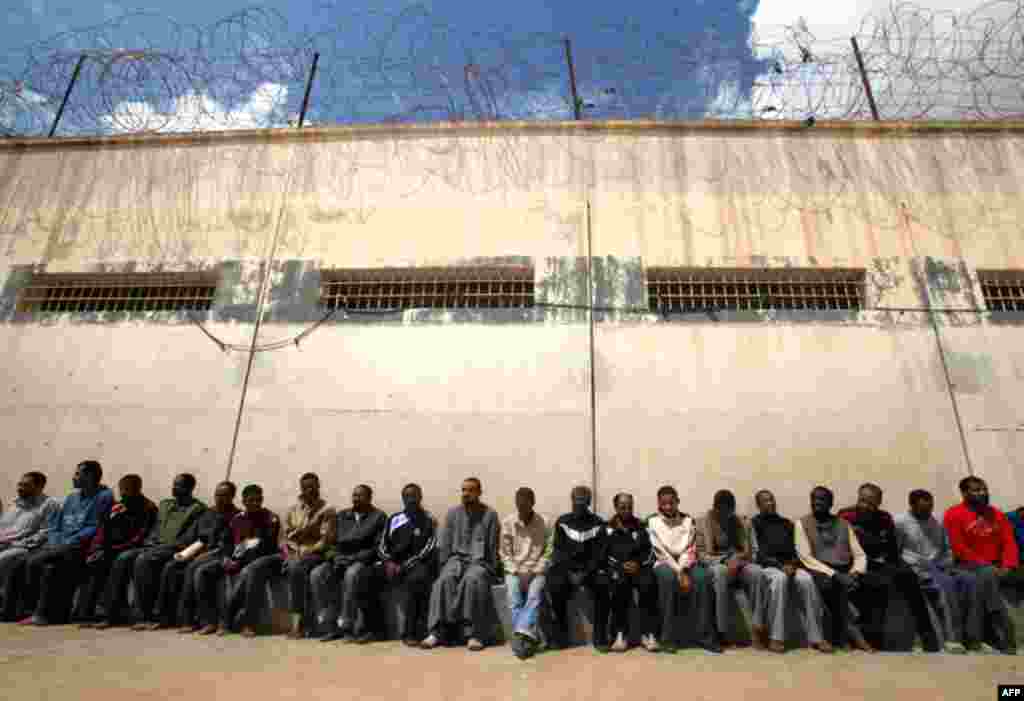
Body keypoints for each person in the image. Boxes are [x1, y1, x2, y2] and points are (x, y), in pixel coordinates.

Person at [93, 473, 206, 630]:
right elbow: (155, 528)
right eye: (174, 484)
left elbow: (189, 537)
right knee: (123, 558)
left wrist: (166, 546)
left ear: (190, 488)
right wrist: (150, 541)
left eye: (179, 485)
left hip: (173, 548)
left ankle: (143, 615)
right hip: (153, 545)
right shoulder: (166, 505)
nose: (174, 488)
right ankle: (111, 613)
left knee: (143, 561)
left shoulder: (197, 509)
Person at [838, 483, 940, 652]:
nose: (866, 506)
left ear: (878, 503)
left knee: (909, 577)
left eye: (871, 503)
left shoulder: (884, 518)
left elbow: (891, 548)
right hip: (855, 564)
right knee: (877, 584)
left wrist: (896, 565)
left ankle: (928, 637)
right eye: (863, 501)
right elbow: (842, 547)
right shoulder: (845, 515)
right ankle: (873, 640)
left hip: (881, 561)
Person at [18, 460, 114, 625]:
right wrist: (56, 540)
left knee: (35, 561)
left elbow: (95, 527)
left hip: (81, 547)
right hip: (62, 545)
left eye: (78, 473)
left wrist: (68, 542)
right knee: (25, 562)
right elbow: (57, 525)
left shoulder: (104, 496)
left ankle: (40, 613)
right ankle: (30, 611)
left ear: (90, 476)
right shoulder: (71, 497)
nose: (73, 477)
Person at [146, 481, 239, 630]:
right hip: (196, 551)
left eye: (224, 495)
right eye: (217, 495)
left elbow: (228, 545)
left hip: (218, 554)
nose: (219, 498)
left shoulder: (235, 516)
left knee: (193, 568)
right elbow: (192, 537)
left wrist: (203, 554)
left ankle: (188, 620)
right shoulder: (208, 513)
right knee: (170, 567)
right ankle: (164, 616)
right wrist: (183, 552)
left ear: (232, 496)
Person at [190, 484, 281, 637]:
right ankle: (209, 621)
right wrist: (226, 557)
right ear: (243, 501)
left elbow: (266, 546)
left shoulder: (270, 519)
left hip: (265, 560)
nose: (254, 503)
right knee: (202, 572)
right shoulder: (237, 519)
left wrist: (238, 560)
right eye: (250, 500)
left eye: (258, 500)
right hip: (236, 559)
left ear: (262, 500)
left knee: (249, 572)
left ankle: (246, 623)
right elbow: (227, 542)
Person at [422, 477, 500, 651]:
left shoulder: (490, 515)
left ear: (479, 492)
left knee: (473, 580)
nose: (466, 494)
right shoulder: (452, 514)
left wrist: (491, 569)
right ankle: (437, 632)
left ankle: (474, 634)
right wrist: (444, 567)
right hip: (456, 559)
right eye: (463, 490)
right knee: (443, 581)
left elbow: (493, 547)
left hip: (480, 562)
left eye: (470, 490)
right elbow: (446, 545)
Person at [943, 476, 1019, 654]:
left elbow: (1009, 542)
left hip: (996, 565)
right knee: (985, 576)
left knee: (988, 576)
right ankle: (1002, 632)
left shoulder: (996, 514)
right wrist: (986, 565)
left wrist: (1008, 565)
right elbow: (958, 547)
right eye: (976, 490)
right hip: (965, 564)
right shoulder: (953, 514)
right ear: (964, 493)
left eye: (984, 489)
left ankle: (983, 636)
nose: (982, 493)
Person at [749, 489, 830, 654]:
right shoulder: (754, 523)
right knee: (780, 580)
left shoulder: (786, 523)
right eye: (765, 501)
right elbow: (758, 553)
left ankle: (817, 637)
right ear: (758, 505)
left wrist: (792, 564)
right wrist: (780, 566)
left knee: (807, 580)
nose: (770, 503)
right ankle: (776, 637)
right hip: (769, 567)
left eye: (771, 499)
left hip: (790, 565)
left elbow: (797, 550)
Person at [794, 486, 873, 652]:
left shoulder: (844, 524)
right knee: (830, 585)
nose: (817, 502)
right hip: (818, 569)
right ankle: (851, 635)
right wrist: (836, 575)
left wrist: (855, 572)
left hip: (844, 569)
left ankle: (857, 636)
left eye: (822, 499)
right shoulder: (802, 524)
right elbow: (806, 557)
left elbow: (859, 554)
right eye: (814, 499)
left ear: (831, 503)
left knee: (869, 583)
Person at [894, 489, 974, 654]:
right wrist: (916, 567)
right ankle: (952, 639)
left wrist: (946, 564)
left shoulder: (937, 521)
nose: (927, 513)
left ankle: (973, 637)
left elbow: (946, 550)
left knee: (968, 580)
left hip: (939, 566)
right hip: (915, 568)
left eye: (929, 508)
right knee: (945, 586)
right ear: (912, 506)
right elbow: (896, 552)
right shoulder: (900, 522)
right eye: (922, 509)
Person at [75, 475, 158, 626]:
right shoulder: (117, 507)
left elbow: (140, 537)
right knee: (93, 562)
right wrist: (96, 548)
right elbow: (102, 529)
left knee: (119, 562)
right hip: (109, 548)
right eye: (122, 490)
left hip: (131, 548)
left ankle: (111, 614)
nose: (124, 493)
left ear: (138, 489)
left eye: (128, 490)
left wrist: (112, 550)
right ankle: (86, 614)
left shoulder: (148, 507)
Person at [647, 485, 720, 653]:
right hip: (664, 563)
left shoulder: (687, 520)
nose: (668, 507)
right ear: (658, 503)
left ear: (677, 502)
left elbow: (690, 548)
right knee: (667, 577)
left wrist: (684, 570)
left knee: (702, 577)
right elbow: (660, 551)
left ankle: (705, 637)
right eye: (663, 503)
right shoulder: (652, 521)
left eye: (671, 503)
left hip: (686, 562)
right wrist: (679, 572)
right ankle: (667, 638)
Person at [314, 484, 387, 643]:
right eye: (354, 495)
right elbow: (330, 542)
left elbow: (378, 547)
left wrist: (354, 558)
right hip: (340, 559)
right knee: (317, 574)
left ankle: (347, 626)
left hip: (363, 561)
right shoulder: (342, 516)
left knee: (352, 574)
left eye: (360, 496)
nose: (355, 498)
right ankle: (330, 626)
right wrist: (334, 557)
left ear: (369, 498)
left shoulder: (378, 517)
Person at [545, 485, 608, 651]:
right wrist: (570, 572)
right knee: (555, 583)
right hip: (567, 569)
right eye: (576, 501)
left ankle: (600, 636)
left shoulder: (598, 523)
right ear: (571, 501)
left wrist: (586, 573)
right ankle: (560, 636)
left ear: (589, 502)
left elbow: (600, 554)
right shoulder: (563, 522)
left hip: (590, 570)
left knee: (603, 584)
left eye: (583, 501)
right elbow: (558, 551)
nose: (579, 504)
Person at [696, 489, 761, 647]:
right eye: (722, 512)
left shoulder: (741, 522)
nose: (726, 515)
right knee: (721, 572)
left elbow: (750, 551)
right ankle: (721, 631)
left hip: (740, 562)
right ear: (715, 508)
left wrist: (737, 559)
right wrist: (724, 560)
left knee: (757, 572)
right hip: (716, 563)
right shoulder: (702, 523)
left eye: (729, 511)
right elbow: (701, 555)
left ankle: (759, 626)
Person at [377, 483, 437, 647]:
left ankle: (410, 632)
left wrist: (404, 565)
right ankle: (372, 629)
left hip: (414, 564)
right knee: (364, 576)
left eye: (414, 496)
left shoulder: (428, 519)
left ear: (420, 497)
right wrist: (388, 561)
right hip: (391, 563)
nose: (410, 499)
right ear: (402, 498)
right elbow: (382, 545)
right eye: (407, 496)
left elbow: (430, 546)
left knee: (417, 579)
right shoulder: (394, 519)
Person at [600, 493, 659, 653]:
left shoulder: (641, 526)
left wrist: (638, 564)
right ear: (616, 507)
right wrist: (620, 565)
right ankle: (620, 634)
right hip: (617, 569)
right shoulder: (607, 528)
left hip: (639, 568)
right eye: (622, 507)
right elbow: (603, 554)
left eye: (629, 507)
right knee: (619, 584)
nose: (626, 510)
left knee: (649, 583)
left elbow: (649, 552)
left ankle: (647, 633)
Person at [282, 472, 336, 639]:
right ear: (301, 489)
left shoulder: (327, 510)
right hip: (295, 552)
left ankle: (298, 623)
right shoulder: (293, 509)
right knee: (294, 567)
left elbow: (325, 540)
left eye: (313, 486)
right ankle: (300, 623)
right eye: (306, 487)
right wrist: (294, 549)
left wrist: (307, 549)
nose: (309, 490)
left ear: (319, 487)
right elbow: (287, 536)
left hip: (316, 552)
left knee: (297, 569)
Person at [0, 472, 59, 621]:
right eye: (20, 484)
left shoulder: (49, 505)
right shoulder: (15, 505)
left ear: (39, 487)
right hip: (5, 543)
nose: (20, 488)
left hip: (26, 548)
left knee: (4, 558)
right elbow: (4, 527)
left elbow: (45, 533)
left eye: (26, 485)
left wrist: (16, 543)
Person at [500, 487, 550, 659]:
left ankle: (519, 640)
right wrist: (516, 571)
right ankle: (527, 638)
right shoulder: (508, 522)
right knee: (514, 598)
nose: (521, 507)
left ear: (533, 503)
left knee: (534, 596)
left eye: (525, 504)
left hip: (537, 570)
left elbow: (548, 551)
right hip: (514, 570)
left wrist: (535, 569)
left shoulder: (544, 522)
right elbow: (505, 553)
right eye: (519, 504)